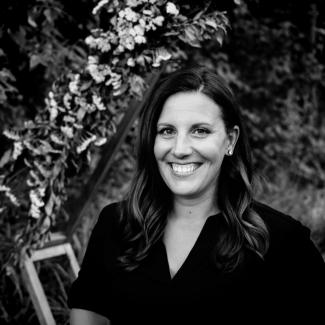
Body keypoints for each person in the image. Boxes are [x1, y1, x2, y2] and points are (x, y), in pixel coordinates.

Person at [68, 66, 325, 325]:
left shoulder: (282, 240)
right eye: (167, 131)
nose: (179, 149)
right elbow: (88, 313)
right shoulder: (116, 224)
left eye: (200, 130)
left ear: (230, 140)